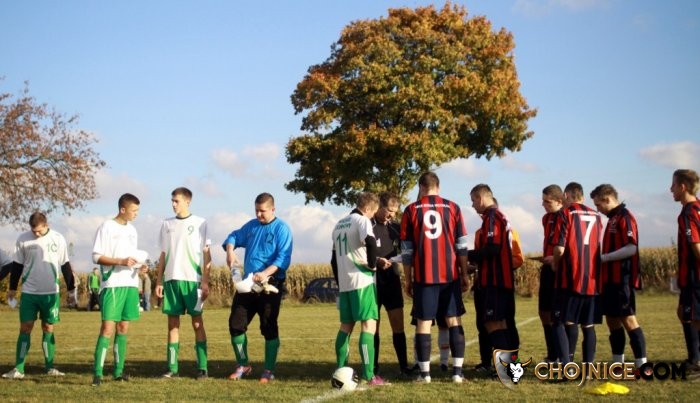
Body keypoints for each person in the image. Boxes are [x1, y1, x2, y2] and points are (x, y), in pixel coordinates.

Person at [400, 172, 469, 383]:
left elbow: (406, 250)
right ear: (438, 186)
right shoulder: (453, 207)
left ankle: (425, 375)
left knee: (424, 322)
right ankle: (457, 373)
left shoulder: (411, 209)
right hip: (450, 275)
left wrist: (408, 278)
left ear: (421, 187)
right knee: (453, 320)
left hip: (424, 276)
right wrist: (464, 273)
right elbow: (462, 245)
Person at [223, 192, 293, 383]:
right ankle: (242, 365)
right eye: (256, 210)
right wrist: (230, 251)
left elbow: (283, 258)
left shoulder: (282, 229)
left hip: (270, 285)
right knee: (235, 325)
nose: (258, 215)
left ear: (273, 209)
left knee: (268, 326)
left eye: (262, 211)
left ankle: (268, 370)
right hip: (248, 285)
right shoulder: (251, 226)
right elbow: (233, 236)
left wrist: (265, 273)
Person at [2, 212, 75, 380]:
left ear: (46, 225)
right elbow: (17, 265)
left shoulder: (58, 238)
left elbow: (65, 265)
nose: (36, 234)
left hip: (51, 293)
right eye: (33, 231)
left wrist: (71, 290)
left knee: (48, 327)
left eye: (39, 231)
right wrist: (12, 288)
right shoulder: (23, 239)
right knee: (25, 327)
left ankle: (49, 367)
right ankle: (19, 369)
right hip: (29, 292)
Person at [91, 193, 148, 386]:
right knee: (107, 328)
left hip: (131, 284)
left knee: (123, 328)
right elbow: (96, 257)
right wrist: (120, 261)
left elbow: (131, 257)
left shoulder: (132, 230)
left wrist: (140, 267)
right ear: (122, 209)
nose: (136, 214)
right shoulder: (106, 226)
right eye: (134, 210)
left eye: (138, 211)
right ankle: (97, 374)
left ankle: (118, 372)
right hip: (112, 285)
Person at [331, 192, 388, 386]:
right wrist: (373, 265)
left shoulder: (339, 224)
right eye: (373, 213)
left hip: (345, 284)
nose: (372, 217)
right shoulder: (362, 220)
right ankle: (369, 376)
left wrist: (340, 282)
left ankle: (340, 370)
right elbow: (370, 242)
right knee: (368, 326)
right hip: (362, 281)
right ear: (368, 208)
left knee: (345, 327)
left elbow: (333, 260)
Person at [154, 187, 211, 380]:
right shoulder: (166, 224)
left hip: (193, 281)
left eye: (176, 201)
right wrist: (159, 281)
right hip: (171, 281)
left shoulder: (201, 223)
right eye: (172, 200)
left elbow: (207, 255)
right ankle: (172, 368)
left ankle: (202, 367)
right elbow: (163, 254)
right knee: (172, 325)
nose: (173, 204)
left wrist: (205, 281)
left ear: (188, 201)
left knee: (197, 323)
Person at [590, 184, 647, 368]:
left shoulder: (625, 217)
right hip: (609, 282)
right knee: (612, 321)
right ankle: (617, 364)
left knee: (629, 320)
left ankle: (641, 365)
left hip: (622, 280)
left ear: (607, 199)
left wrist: (604, 258)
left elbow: (631, 247)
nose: (598, 209)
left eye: (598, 205)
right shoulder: (612, 219)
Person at [550, 182, 602, 366]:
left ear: (566, 195)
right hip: (592, 278)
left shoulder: (566, 213)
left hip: (571, 277)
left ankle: (567, 366)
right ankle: (588, 367)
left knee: (561, 321)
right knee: (588, 325)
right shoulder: (597, 215)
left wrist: (555, 263)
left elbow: (560, 248)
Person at [468, 185, 520, 364]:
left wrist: (465, 254)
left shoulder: (492, 216)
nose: (473, 205)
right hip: (502, 280)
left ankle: (506, 369)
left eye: (473, 201)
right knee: (503, 324)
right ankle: (510, 367)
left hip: (494, 280)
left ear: (480, 198)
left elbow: (493, 248)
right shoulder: (500, 216)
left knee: (492, 323)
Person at [368, 192, 413, 377]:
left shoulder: (396, 227)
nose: (392, 215)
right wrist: (377, 261)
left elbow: (407, 251)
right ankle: (373, 368)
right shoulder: (367, 225)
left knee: (398, 325)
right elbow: (360, 253)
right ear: (379, 207)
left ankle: (404, 367)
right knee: (373, 327)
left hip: (392, 281)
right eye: (389, 210)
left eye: (395, 211)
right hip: (372, 283)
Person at [670, 169, 700, 371]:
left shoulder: (688, 213)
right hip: (689, 277)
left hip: (694, 277)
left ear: (682, 187)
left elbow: (696, 246)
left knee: (695, 318)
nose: (670, 189)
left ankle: (695, 361)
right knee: (683, 313)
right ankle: (694, 358)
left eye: (673, 185)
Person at [538, 185, 564, 362]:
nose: (543, 205)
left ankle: (562, 356)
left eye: (547, 202)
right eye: (543, 201)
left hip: (560, 269)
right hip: (547, 268)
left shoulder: (566, 217)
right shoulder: (546, 218)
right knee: (544, 312)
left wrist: (555, 259)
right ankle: (552, 354)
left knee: (558, 315)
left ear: (559, 201)